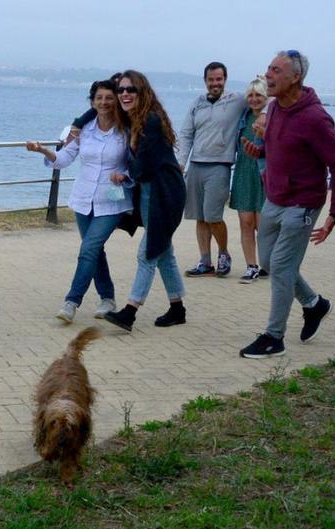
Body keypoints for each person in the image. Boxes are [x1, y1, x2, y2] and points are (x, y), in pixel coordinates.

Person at [238, 50, 335, 359]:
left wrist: (333, 214)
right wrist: (258, 152)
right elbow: (279, 150)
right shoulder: (274, 109)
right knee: (270, 263)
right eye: (268, 68)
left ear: (295, 77)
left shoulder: (315, 118)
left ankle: (274, 337)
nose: (268, 75)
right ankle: (315, 304)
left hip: (303, 205)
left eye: (276, 70)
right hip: (274, 199)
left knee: (283, 267)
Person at [26, 80, 132, 323]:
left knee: (88, 250)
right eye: (99, 98)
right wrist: (43, 150)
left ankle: (71, 302)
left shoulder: (126, 130)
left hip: (112, 200)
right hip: (84, 199)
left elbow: (134, 163)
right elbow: (64, 158)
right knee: (95, 251)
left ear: (116, 100)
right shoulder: (83, 129)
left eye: (109, 98)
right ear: (92, 102)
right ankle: (107, 299)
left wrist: (125, 176)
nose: (104, 102)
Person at [101, 70, 188, 332]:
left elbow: (144, 167)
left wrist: (125, 175)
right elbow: (97, 106)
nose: (125, 94)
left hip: (164, 193)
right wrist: (77, 124)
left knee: (148, 252)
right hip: (154, 191)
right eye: (121, 91)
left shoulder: (149, 121)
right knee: (164, 253)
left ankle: (129, 312)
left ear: (142, 92)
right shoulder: (135, 119)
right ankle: (177, 308)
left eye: (131, 90)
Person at [175, 62, 247, 278]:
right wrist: (181, 163)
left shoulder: (237, 100)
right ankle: (205, 261)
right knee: (200, 216)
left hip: (220, 166)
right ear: (205, 80)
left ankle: (223, 254)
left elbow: (262, 99)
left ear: (225, 79)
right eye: (211, 79)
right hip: (196, 165)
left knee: (213, 216)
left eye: (219, 79)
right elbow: (186, 134)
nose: (215, 83)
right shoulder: (197, 103)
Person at [229, 76, 270, 283]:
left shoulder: (272, 115)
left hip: (264, 174)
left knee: (263, 225)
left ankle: (267, 264)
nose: (254, 99)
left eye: (259, 95)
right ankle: (251, 266)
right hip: (244, 172)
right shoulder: (243, 116)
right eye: (251, 95)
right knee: (246, 223)